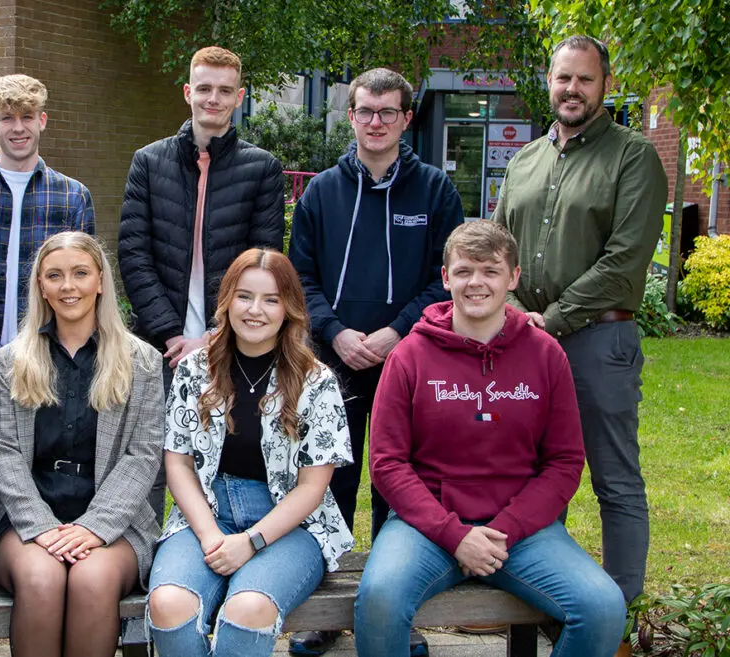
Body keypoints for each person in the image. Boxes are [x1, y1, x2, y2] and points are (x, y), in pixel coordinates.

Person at [354, 220, 627, 657]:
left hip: (520, 532)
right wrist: (456, 536)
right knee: (381, 601)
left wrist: (501, 532)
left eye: (490, 270)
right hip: (426, 526)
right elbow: (387, 463)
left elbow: (564, 462)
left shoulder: (545, 354)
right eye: (463, 271)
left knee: (603, 607)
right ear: (446, 278)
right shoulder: (409, 356)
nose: (475, 282)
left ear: (513, 277)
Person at [494, 37, 666, 654]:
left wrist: (552, 319)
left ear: (605, 83)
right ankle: (538, 612)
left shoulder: (634, 156)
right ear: (549, 79)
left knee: (614, 479)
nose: (572, 89)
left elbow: (625, 263)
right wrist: (513, 314)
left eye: (585, 80)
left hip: (598, 339)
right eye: (563, 78)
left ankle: (616, 621)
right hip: (529, 343)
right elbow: (498, 250)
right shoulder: (526, 160)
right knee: (533, 478)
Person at [287, 67, 463, 655]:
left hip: (409, 360)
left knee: (400, 487)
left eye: (389, 112)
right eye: (366, 110)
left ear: (407, 118)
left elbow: (446, 281)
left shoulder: (436, 191)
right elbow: (300, 277)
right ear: (352, 115)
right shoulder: (321, 193)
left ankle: (394, 611)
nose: (376, 122)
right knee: (330, 483)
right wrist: (334, 332)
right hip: (332, 360)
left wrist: (394, 333)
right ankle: (325, 611)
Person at [147, 248, 353, 657]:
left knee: (248, 609)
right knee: (168, 604)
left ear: (288, 308)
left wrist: (251, 542)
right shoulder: (195, 370)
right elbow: (179, 463)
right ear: (226, 301)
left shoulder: (317, 381)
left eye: (271, 299)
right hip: (206, 511)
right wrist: (209, 537)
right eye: (244, 296)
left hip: (289, 524)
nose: (255, 310)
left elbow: (312, 488)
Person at [0, 232, 163, 656]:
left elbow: (143, 455)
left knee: (91, 578)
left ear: (100, 280)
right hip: (25, 514)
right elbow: (2, 450)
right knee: (42, 578)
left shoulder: (142, 362)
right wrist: (40, 525)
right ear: (41, 286)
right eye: (55, 276)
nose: (68, 286)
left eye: (80, 273)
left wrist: (93, 527)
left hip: (114, 518)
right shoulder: (13, 360)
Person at [118, 45, 284, 368]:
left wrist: (212, 336)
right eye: (204, 88)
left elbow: (263, 262)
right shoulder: (148, 162)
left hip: (233, 343)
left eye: (225, 91)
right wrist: (171, 335)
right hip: (160, 347)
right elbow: (133, 255)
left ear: (239, 97)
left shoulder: (262, 169)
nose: (213, 99)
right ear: (187, 92)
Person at [0, 74, 95, 363]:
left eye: (27, 117)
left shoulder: (73, 197)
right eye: (8, 118)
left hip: (49, 357)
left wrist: (38, 347)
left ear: (42, 121)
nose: (18, 128)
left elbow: (81, 285)